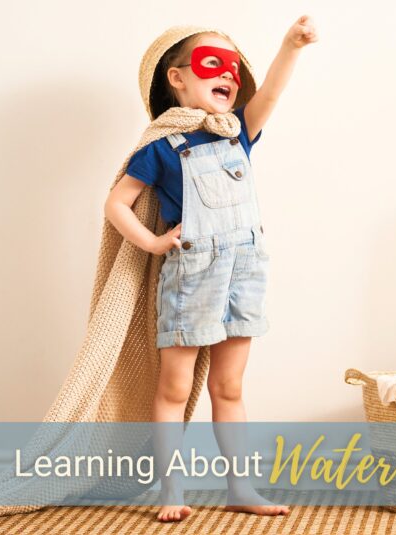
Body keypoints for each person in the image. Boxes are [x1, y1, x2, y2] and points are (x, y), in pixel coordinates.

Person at [103, 19, 318, 522]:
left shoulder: (239, 131)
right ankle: (170, 490)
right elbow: (116, 204)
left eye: (232, 68)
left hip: (244, 272)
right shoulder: (161, 145)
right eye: (211, 64)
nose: (227, 74)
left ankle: (240, 487)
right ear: (177, 78)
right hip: (192, 275)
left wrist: (290, 46)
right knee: (174, 388)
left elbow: (271, 93)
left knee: (230, 387)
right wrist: (155, 242)